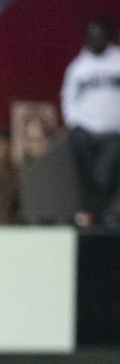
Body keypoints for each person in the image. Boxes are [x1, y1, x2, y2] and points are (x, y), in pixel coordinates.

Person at [61, 19, 120, 227]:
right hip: (86, 128)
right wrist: (73, 123)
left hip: (114, 130)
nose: (97, 38)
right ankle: (91, 213)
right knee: (88, 175)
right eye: (92, 34)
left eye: (100, 33)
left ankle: (99, 212)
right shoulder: (79, 67)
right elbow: (68, 97)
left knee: (105, 173)